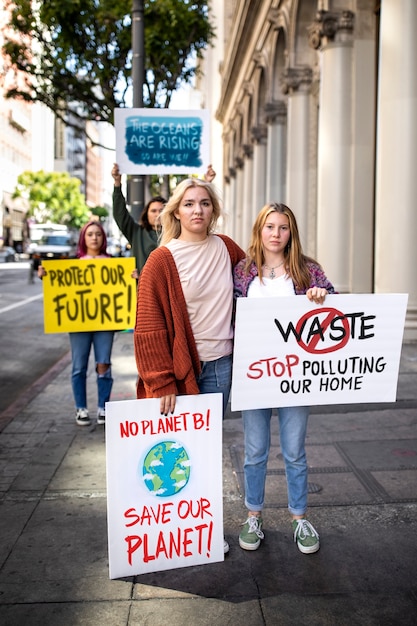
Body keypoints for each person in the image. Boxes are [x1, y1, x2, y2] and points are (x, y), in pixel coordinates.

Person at [133, 176, 245, 554]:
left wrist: (315, 286)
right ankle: (181, 530)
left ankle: (207, 530)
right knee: (179, 453)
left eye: (205, 203)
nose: (198, 210)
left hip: (222, 367)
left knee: (208, 450)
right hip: (182, 368)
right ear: (176, 212)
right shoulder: (162, 259)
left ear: (213, 210)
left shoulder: (227, 248)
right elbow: (148, 326)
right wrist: (160, 381)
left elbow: (265, 278)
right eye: (189, 204)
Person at [233, 202, 336, 554]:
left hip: (295, 376)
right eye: (270, 227)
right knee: (254, 451)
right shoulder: (243, 271)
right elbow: (230, 314)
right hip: (256, 375)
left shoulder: (308, 271)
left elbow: (337, 314)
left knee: (294, 451)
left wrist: (322, 298)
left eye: (283, 227)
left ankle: (299, 518)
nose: (276, 234)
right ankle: (253, 515)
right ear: (259, 231)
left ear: (291, 233)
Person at [38, 221, 115, 427]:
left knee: (104, 364)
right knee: (79, 367)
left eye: (98, 234)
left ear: (103, 237)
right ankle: (80, 408)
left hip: (105, 323)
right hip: (79, 323)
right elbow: (58, 286)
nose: (94, 238)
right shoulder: (73, 262)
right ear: (83, 238)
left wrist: (133, 277)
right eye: (90, 234)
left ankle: (103, 407)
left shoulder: (113, 262)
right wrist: (45, 276)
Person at [111, 163, 166, 279]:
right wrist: (117, 183)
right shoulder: (137, 233)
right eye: (153, 211)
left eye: (162, 210)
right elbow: (120, 214)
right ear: (146, 214)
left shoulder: (176, 234)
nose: (158, 214)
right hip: (143, 291)